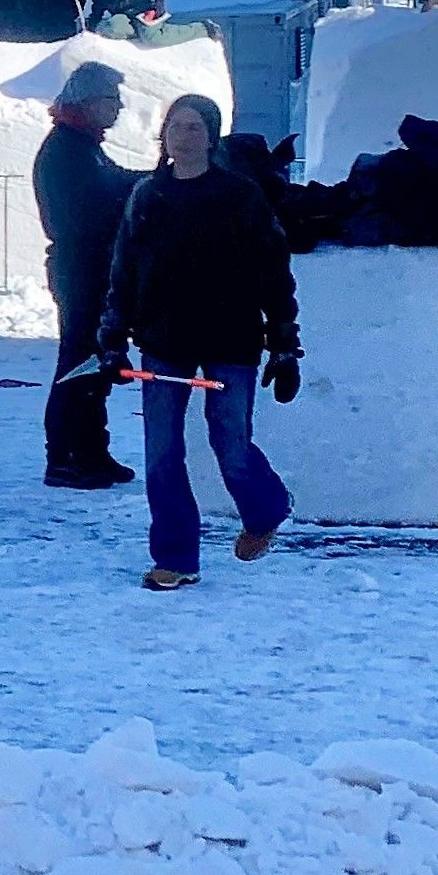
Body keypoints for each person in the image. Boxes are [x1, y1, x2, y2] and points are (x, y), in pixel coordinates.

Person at [106, 92, 297, 587]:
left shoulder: (240, 196)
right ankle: (175, 559)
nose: (183, 136)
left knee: (230, 445)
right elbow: (124, 273)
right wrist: (112, 337)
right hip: (163, 342)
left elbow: (273, 271)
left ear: (211, 137)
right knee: (161, 454)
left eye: (194, 127)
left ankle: (266, 508)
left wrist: (284, 342)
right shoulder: (147, 196)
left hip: (231, 339)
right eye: (175, 126)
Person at [31, 59, 135, 488]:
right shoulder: (67, 149)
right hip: (80, 270)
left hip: (89, 268)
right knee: (80, 362)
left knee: (95, 360)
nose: (119, 107)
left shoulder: (81, 144)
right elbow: (95, 203)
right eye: (113, 99)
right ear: (89, 102)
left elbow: (112, 182)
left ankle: (91, 450)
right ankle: (66, 456)